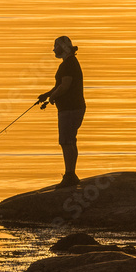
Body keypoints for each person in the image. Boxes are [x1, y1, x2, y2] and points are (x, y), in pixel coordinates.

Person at [38, 36, 86, 188]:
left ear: (63, 48)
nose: (53, 49)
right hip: (73, 107)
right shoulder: (69, 63)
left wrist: (52, 97)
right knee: (70, 140)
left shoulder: (68, 64)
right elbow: (60, 85)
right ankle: (71, 174)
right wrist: (47, 95)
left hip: (70, 109)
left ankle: (70, 175)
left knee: (66, 141)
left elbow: (65, 86)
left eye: (55, 46)